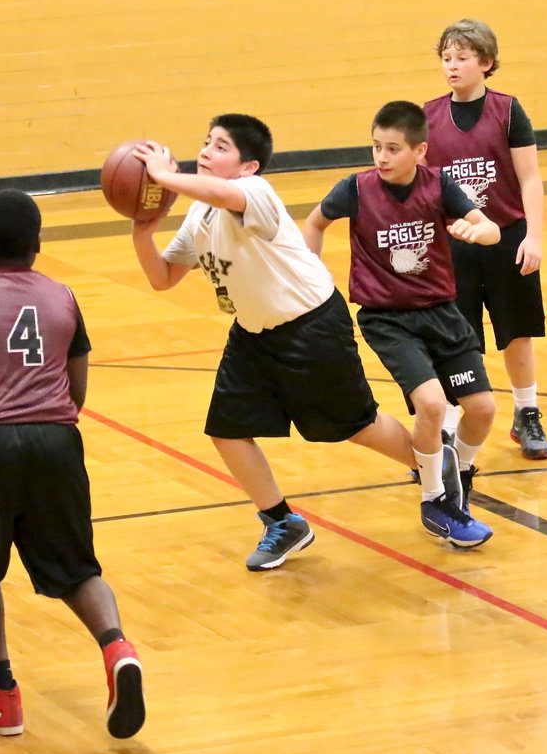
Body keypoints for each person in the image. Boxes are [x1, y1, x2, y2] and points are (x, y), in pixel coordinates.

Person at [131, 113, 431, 569]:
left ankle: (436, 468)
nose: (207, 152)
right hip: (253, 333)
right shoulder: (200, 213)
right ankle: (282, 522)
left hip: (311, 326)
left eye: (220, 146)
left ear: (249, 166)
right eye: (205, 143)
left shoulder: (255, 193)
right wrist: (142, 230)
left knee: (355, 426)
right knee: (227, 432)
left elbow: (223, 193)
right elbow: (163, 277)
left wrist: (166, 176)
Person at [0, 189, 145, 740]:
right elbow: (78, 389)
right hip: (57, 444)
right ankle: (118, 647)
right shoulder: (63, 296)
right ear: (38, 244)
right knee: (78, 571)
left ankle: (1, 695)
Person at [304, 101, 501, 547]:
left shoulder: (439, 186)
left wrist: (480, 232)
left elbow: (488, 226)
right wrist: (312, 271)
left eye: (393, 148)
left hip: (441, 312)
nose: (382, 157)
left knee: (483, 409)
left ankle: (459, 476)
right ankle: (436, 500)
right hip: (388, 318)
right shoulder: (355, 189)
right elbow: (314, 223)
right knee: (432, 405)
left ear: (421, 151)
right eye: (376, 147)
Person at [424, 19, 547, 459]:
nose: (452, 67)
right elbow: (422, 187)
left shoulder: (509, 110)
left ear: (486, 62)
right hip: (454, 243)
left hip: (508, 237)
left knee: (516, 331)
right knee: (459, 335)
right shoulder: (427, 117)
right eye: (446, 58)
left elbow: (530, 178)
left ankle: (527, 411)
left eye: (461, 58)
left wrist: (533, 237)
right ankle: (457, 419)